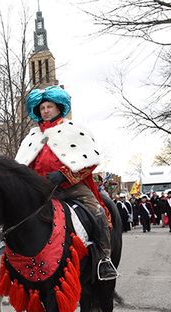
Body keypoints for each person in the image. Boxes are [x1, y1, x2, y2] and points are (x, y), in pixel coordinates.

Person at [15, 85, 117, 279]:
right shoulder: (33, 136)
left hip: (71, 187)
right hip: (41, 190)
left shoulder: (74, 130)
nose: (45, 111)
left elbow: (90, 161)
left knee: (97, 212)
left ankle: (105, 258)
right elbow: (24, 166)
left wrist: (64, 175)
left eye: (49, 107)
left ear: (58, 108)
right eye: (42, 108)